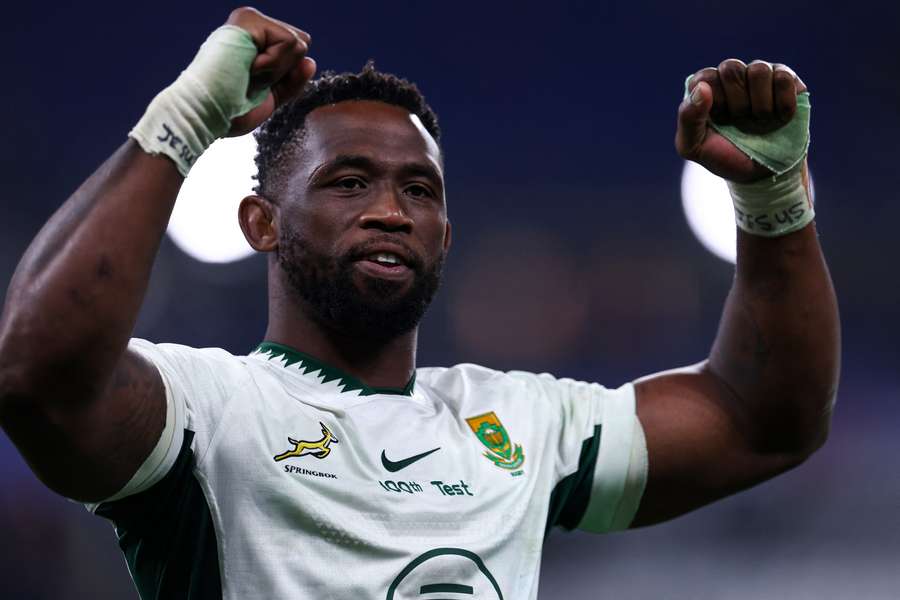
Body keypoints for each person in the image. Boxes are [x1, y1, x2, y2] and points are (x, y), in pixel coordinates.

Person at [0, 7, 839, 599]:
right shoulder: (207, 408)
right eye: (349, 181)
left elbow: (766, 420)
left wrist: (773, 205)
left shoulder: (521, 424)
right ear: (259, 223)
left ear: (444, 233)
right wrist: (183, 119)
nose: (390, 210)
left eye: (418, 189)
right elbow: (37, 374)